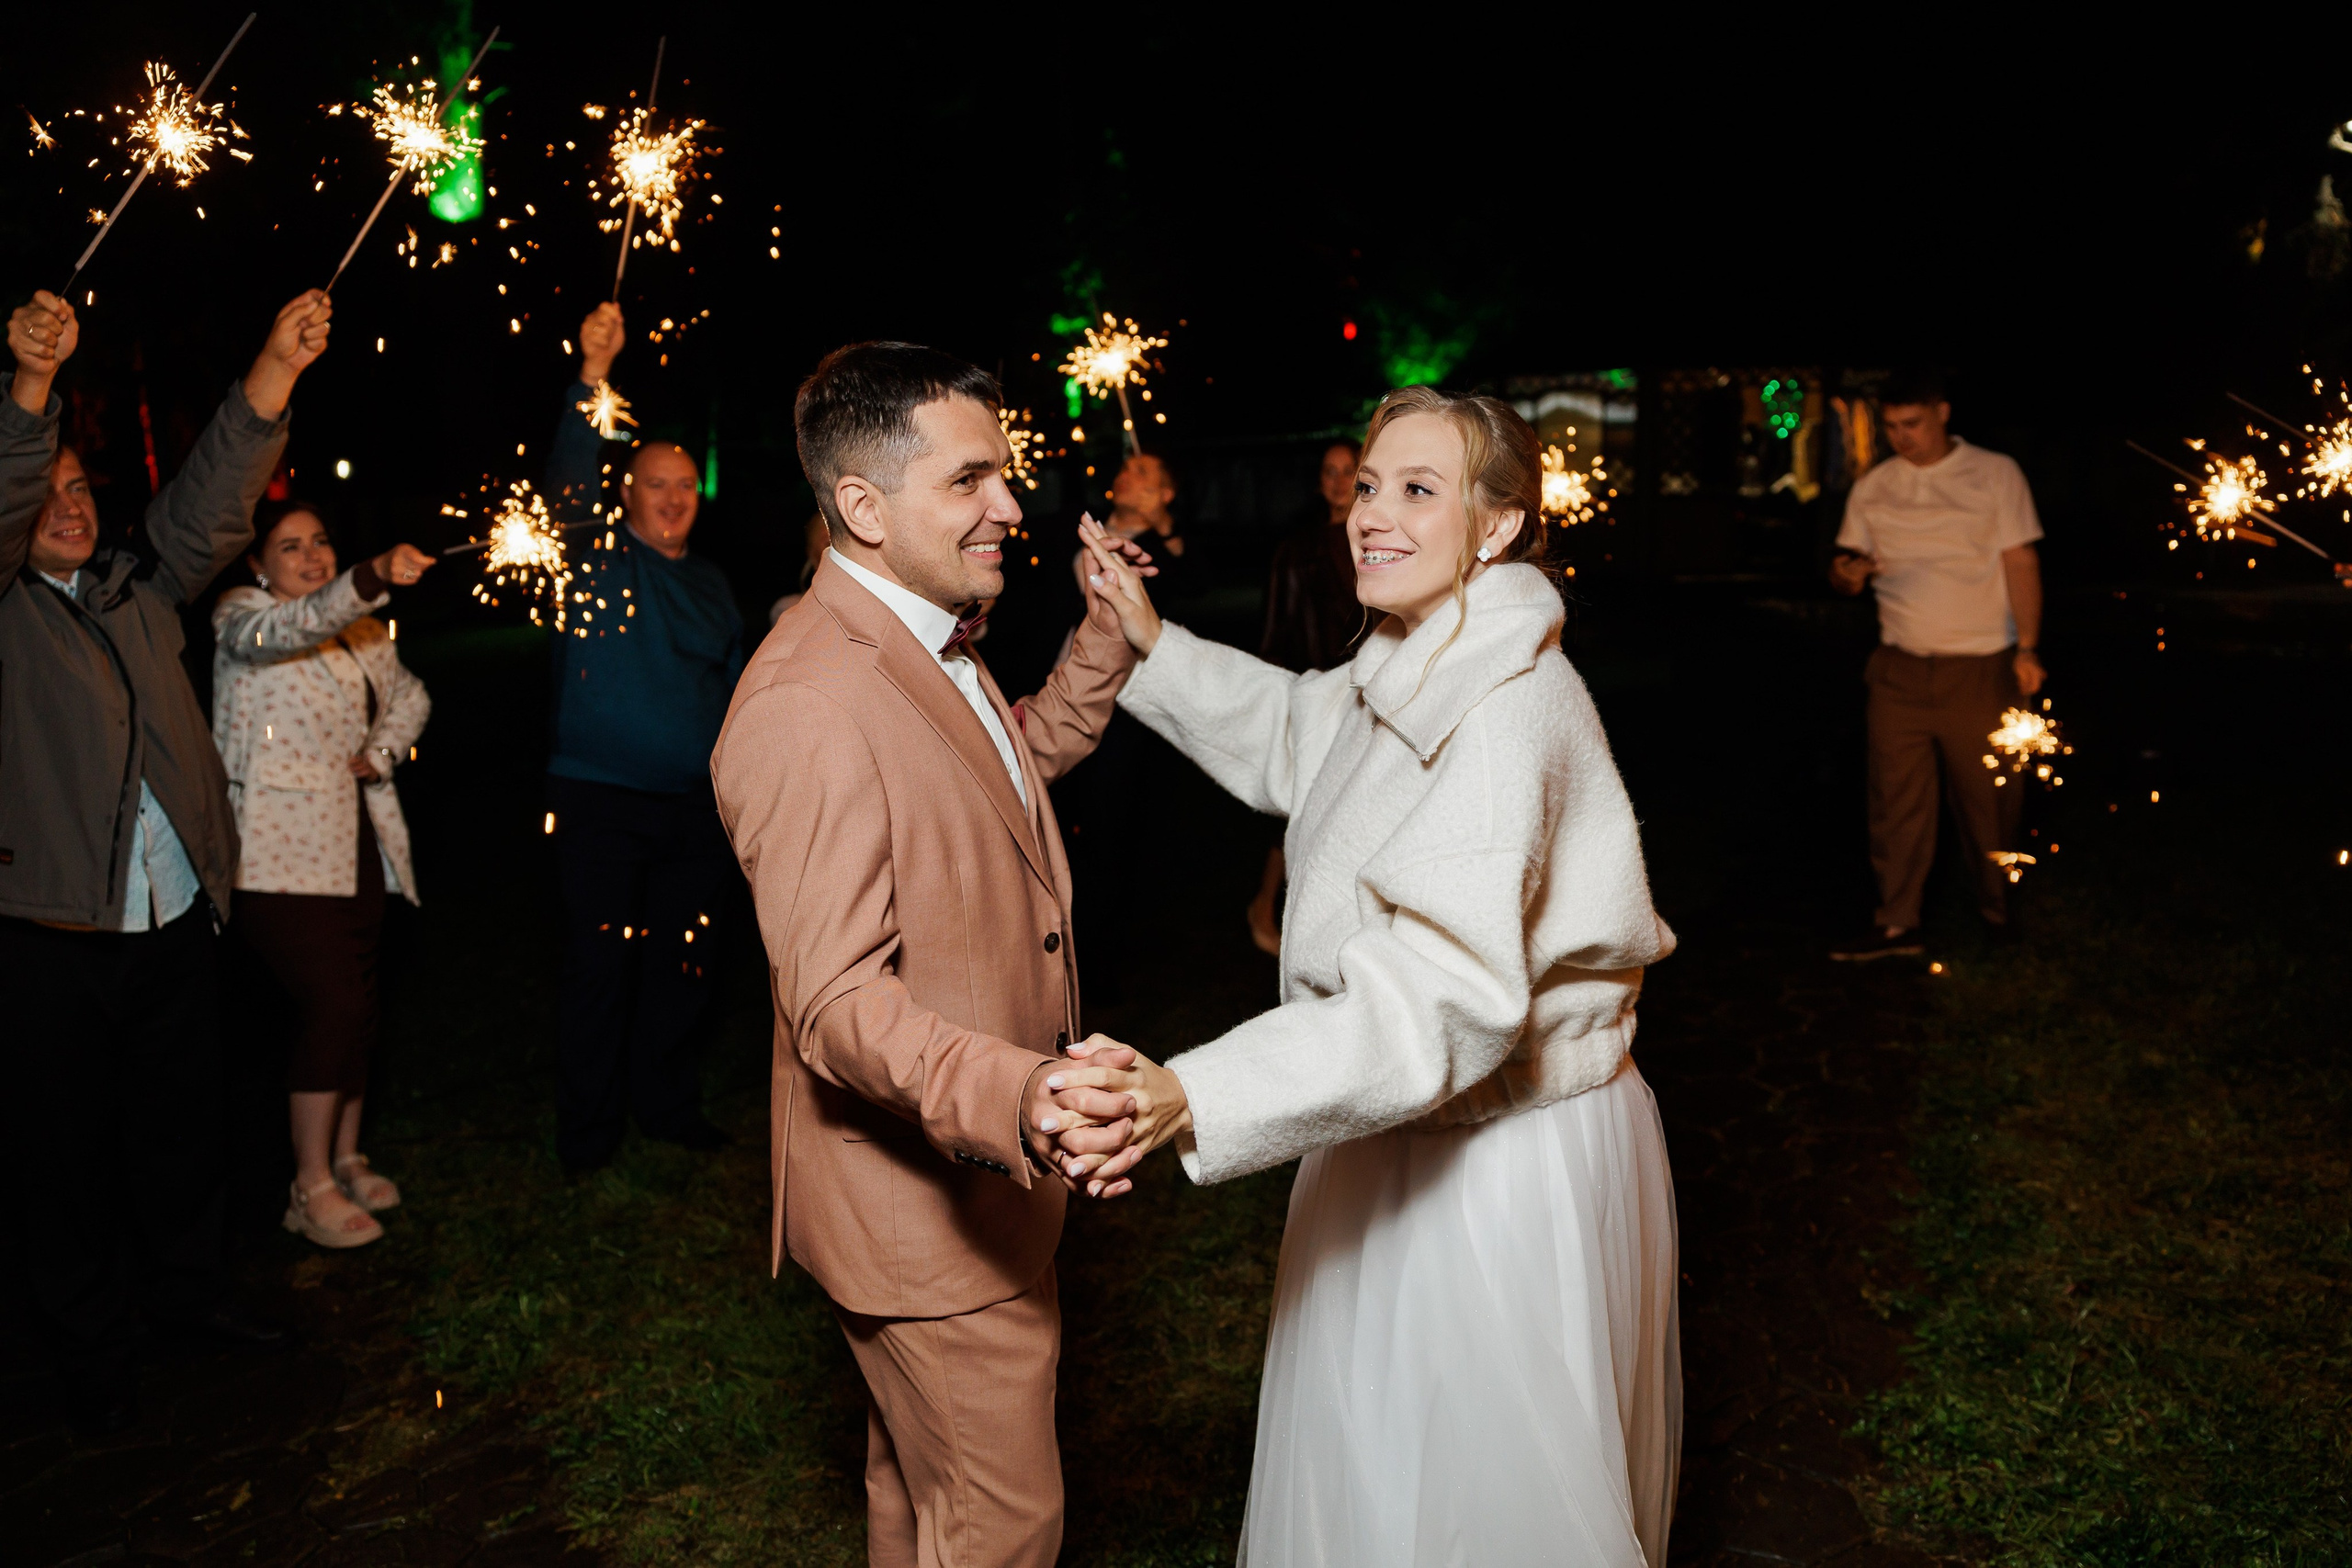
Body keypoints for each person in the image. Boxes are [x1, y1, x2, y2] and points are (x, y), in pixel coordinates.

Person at [1046, 386, 1683, 1568]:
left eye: (1419, 490)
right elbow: (1304, 732)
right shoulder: (1421, 642)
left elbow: (1440, 999)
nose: (1372, 515)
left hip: (1492, 1161)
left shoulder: (1499, 714)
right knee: (1376, 1470)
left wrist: (1198, 1091)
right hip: (1403, 1121)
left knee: (1466, 1492)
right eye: (1372, 484)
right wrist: (1152, 642)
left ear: (1495, 529)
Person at [711, 342, 1151, 1568]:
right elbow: (838, 1003)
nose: (1010, 505)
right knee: (1004, 1528)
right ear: (863, 505)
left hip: (958, 1206)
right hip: (928, 1215)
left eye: (1003, 476)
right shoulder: (807, 699)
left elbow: (994, 773)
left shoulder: (923, 635)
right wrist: (1021, 1092)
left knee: (918, 1499)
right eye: (971, 481)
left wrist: (1102, 645)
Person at [0, 288, 333, 1416]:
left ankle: (191, 1299)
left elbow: (211, 501)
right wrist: (32, 393)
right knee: (65, 1157)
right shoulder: (5, 611)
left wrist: (273, 367)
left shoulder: (135, 590)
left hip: (177, 915)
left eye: (81, 488)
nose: (72, 508)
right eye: (47, 494)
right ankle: (91, 1352)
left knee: (184, 1127)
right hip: (51, 935)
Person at [542, 302, 746, 1175]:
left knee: (684, 965)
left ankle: (667, 1105)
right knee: (599, 970)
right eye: (656, 483)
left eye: (686, 485)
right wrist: (593, 379)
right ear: (627, 493)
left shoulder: (711, 584)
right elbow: (567, 482)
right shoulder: (593, 557)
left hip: (695, 815)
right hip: (598, 803)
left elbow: (737, 698)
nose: (672, 497)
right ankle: (589, 1130)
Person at [212, 500, 436, 1248]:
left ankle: (345, 1155)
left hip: (357, 842)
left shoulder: (361, 629)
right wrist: (369, 575)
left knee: (362, 1005)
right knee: (333, 1004)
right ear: (256, 563)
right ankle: (306, 1186)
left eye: (320, 543)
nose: (310, 557)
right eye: (288, 547)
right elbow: (290, 628)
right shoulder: (242, 616)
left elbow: (411, 693)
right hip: (274, 857)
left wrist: (383, 753)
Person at [1825, 370, 2045, 960]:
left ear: (1942, 412)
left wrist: (2027, 646)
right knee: (1895, 801)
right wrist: (1846, 577)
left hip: (1979, 665)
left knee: (1989, 799)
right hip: (1898, 668)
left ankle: (1998, 914)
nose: (1901, 437)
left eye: (1912, 424)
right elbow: (1846, 568)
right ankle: (1898, 923)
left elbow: (2020, 561)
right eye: (1892, 427)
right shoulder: (1876, 486)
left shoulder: (1994, 473)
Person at [1246, 437, 1363, 952]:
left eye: (1349, 470)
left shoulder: (1382, 541)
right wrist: (1282, 700)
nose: (1338, 481)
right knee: (1303, 805)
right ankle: (1268, 905)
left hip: (1369, 693)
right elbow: (1276, 629)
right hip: (1318, 691)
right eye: (1329, 471)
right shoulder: (1298, 548)